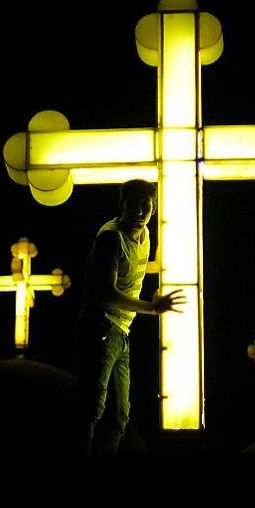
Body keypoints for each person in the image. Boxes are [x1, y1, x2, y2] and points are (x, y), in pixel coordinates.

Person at [76, 179, 185, 456]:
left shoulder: (145, 235)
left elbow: (132, 267)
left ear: (153, 208)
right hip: (101, 325)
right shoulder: (111, 238)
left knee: (119, 414)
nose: (139, 213)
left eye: (145, 207)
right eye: (133, 206)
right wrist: (152, 307)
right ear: (121, 205)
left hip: (121, 330)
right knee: (92, 406)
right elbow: (105, 293)